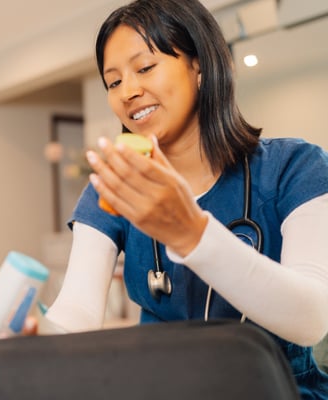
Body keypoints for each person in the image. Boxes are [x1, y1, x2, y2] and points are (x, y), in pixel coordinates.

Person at [43, 0, 328, 397]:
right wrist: (42, 345)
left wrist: (190, 233)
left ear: (199, 66)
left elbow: (311, 318)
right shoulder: (114, 186)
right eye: (113, 81)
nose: (129, 91)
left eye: (144, 68)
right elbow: (78, 308)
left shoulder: (295, 167)